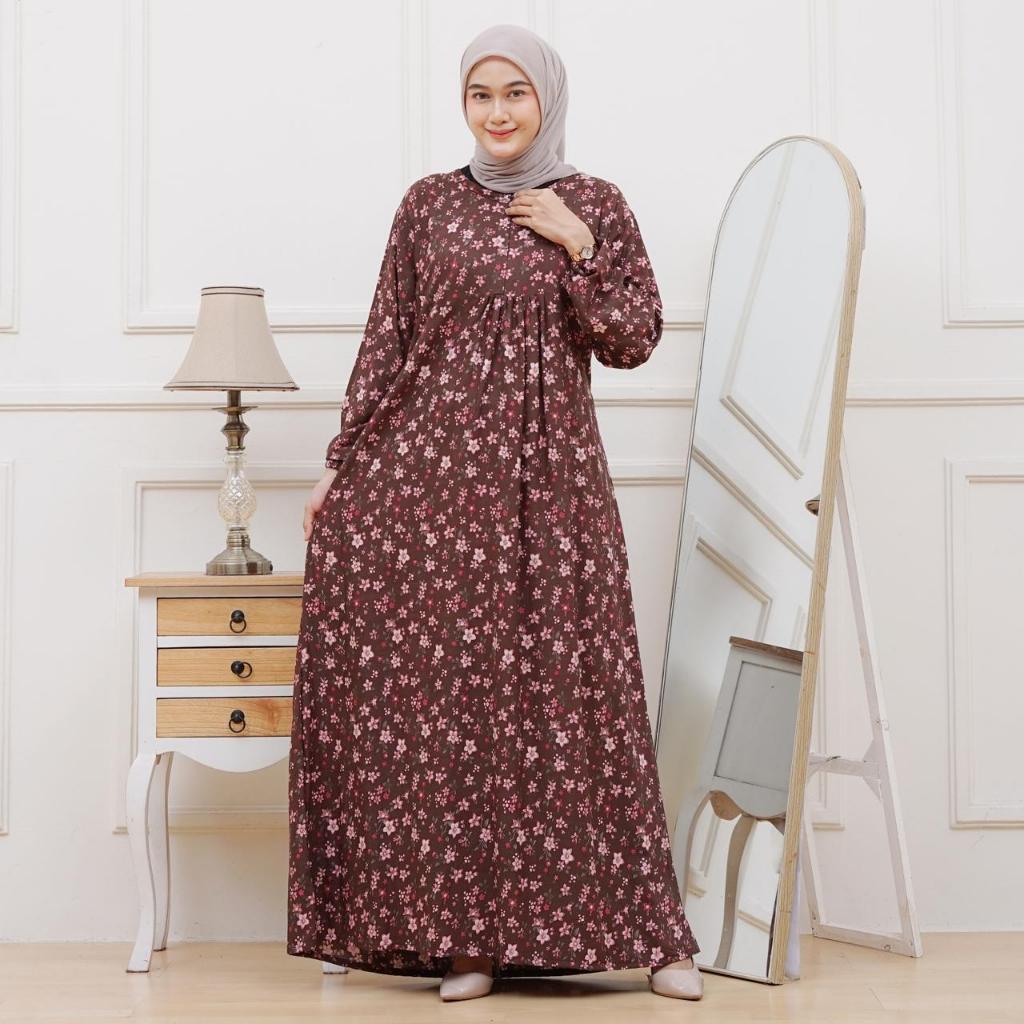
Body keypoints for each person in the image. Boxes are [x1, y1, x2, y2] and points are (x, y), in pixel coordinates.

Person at [287, 22, 704, 1003]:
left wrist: (577, 243)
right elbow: (388, 340)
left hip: (552, 484)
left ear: (547, 97)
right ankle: (464, 939)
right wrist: (341, 464)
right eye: (481, 94)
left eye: (516, 91)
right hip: (431, 487)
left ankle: (656, 939)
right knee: (457, 707)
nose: (499, 111)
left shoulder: (594, 202)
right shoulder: (427, 205)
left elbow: (633, 338)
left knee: (579, 693)